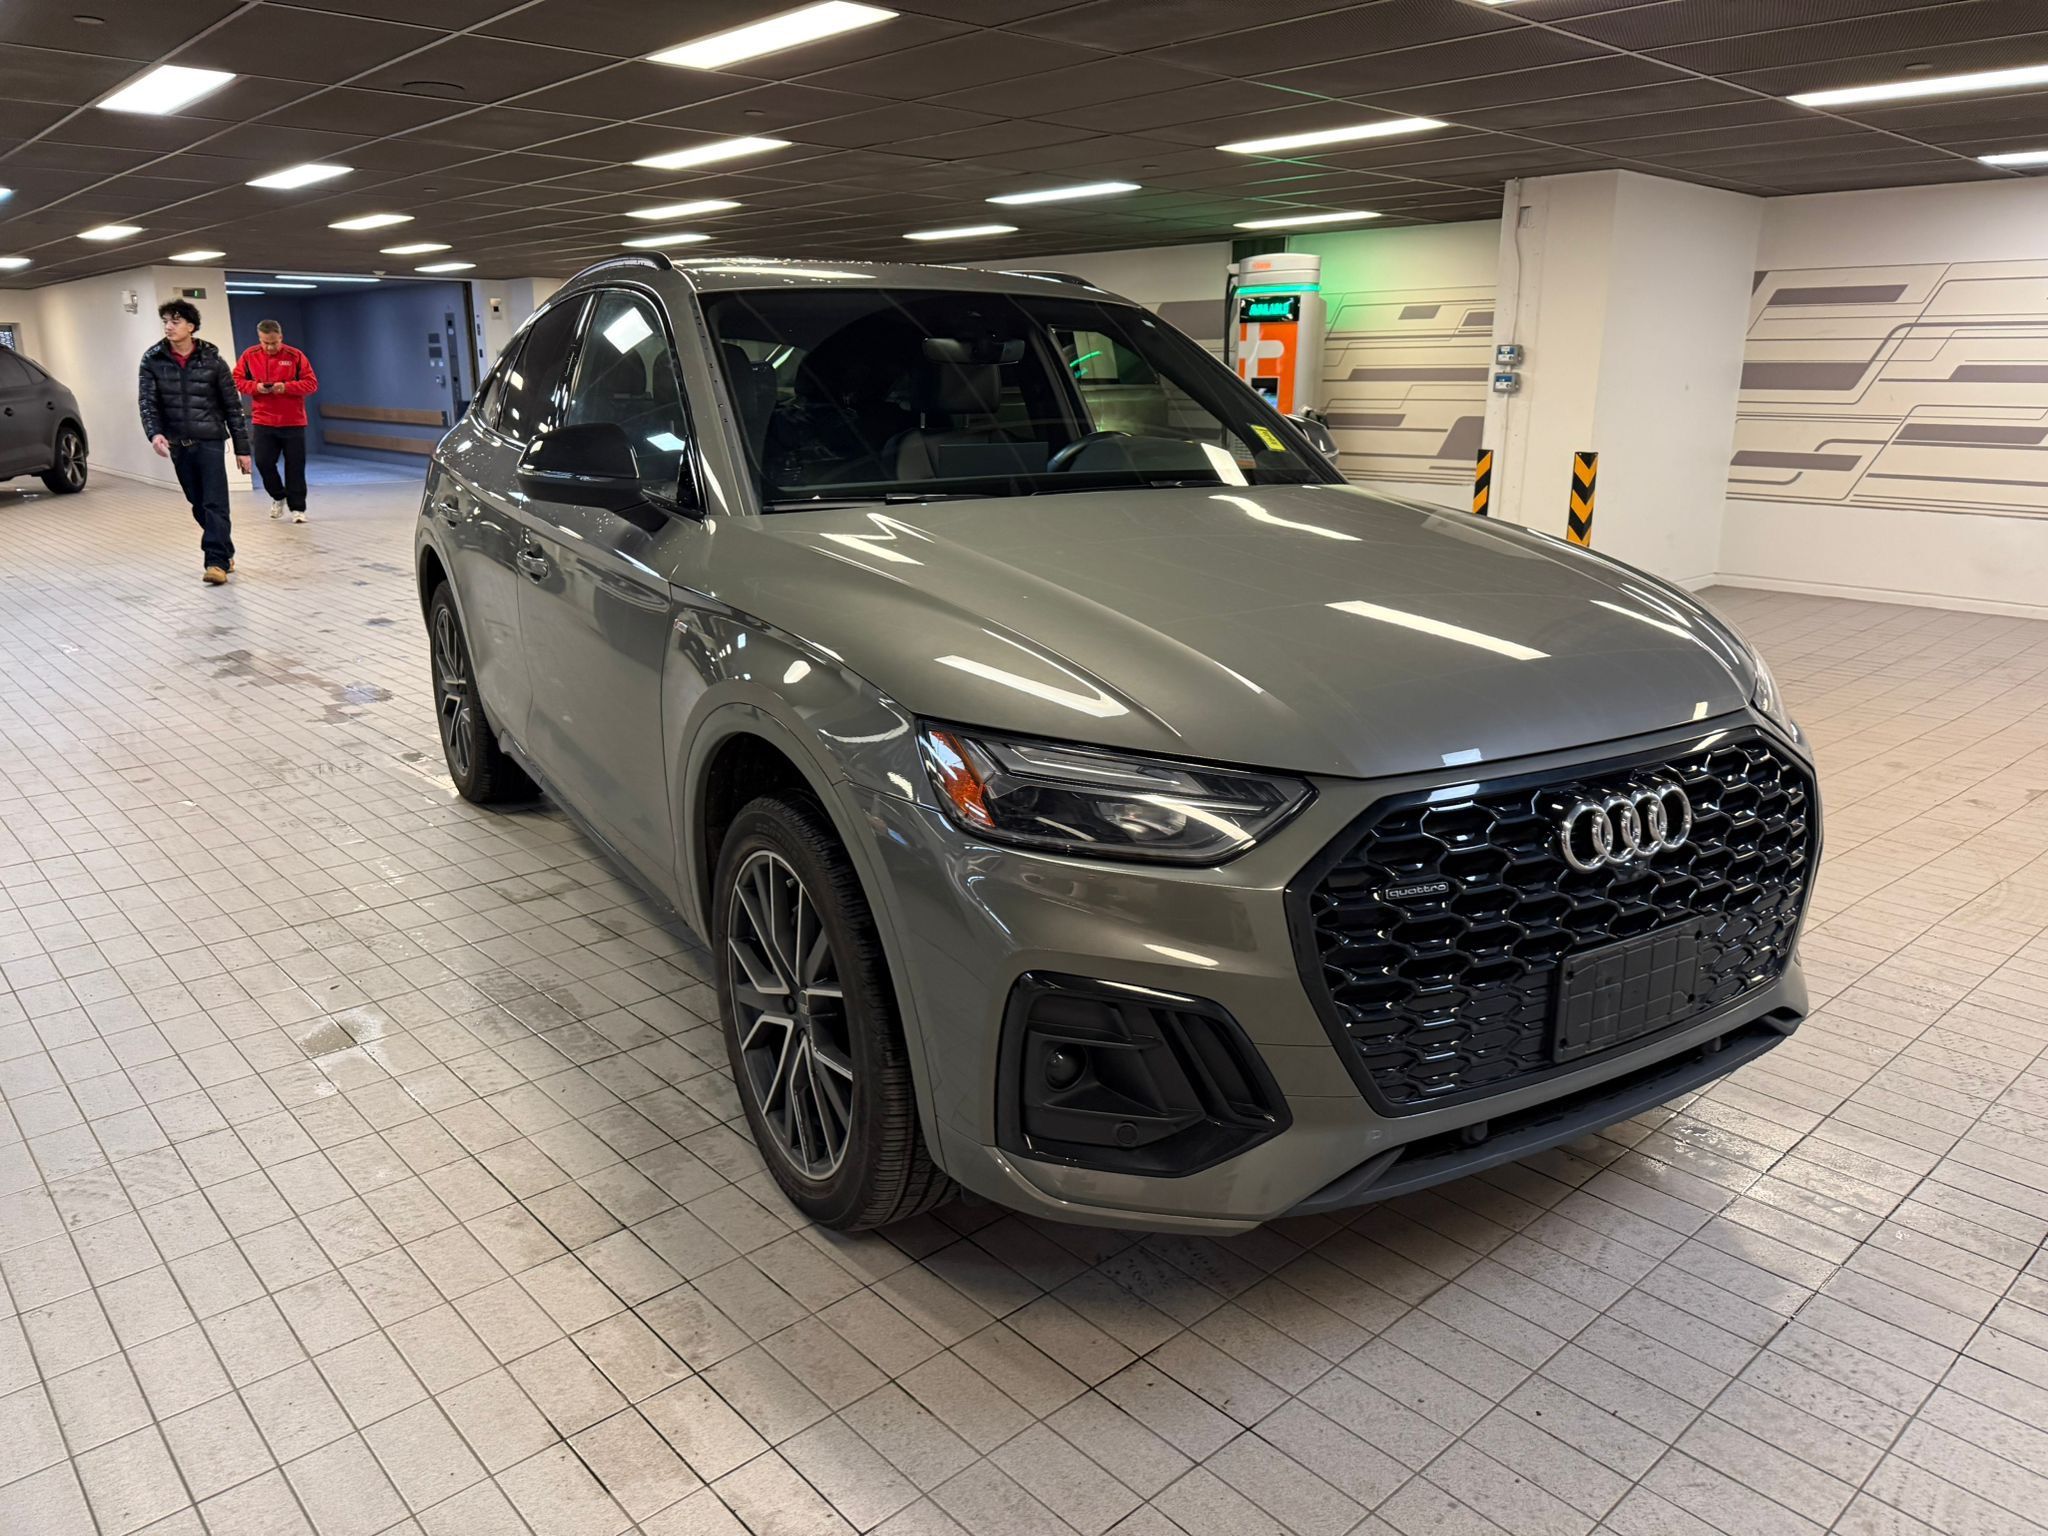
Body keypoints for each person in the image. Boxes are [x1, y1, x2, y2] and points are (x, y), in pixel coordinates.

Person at [139, 299, 250, 585]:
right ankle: (224, 549)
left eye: (175, 321)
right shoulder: (152, 359)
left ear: (191, 326)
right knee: (197, 502)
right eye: (165, 321)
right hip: (178, 441)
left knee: (215, 502)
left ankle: (215, 562)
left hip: (210, 439)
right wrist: (155, 433)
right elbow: (148, 402)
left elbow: (232, 407)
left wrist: (242, 449)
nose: (168, 326)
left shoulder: (213, 360)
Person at [234, 319, 318, 523]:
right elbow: (237, 380)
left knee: (295, 466)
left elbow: (311, 384)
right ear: (259, 339)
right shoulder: (249, 355)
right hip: (263, 420)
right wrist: (256, 387)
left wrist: (286, 387)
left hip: (293, 421)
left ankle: (298, 508)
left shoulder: (295, 356)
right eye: (265, 343)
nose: (270, 347)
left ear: (281, 337)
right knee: (263, 462)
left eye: (274, 342)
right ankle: (278, 496)